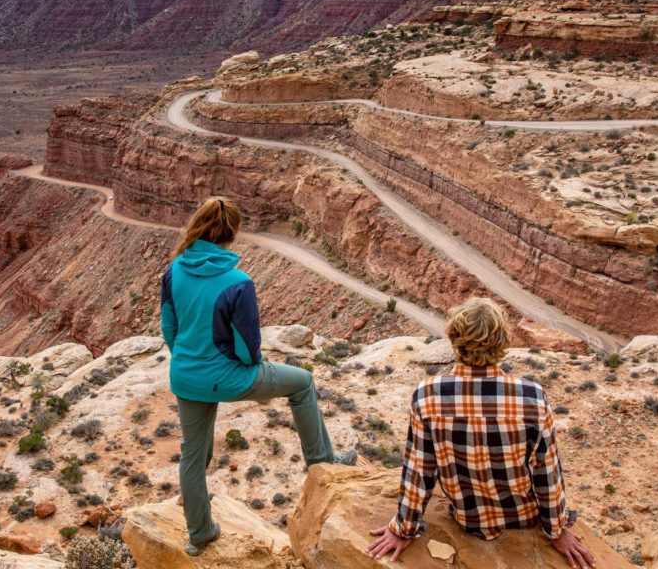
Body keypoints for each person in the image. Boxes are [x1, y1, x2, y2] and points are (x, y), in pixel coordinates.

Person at [160, 196, 355, 556]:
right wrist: (246, 366)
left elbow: (169, 329)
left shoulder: (173, 270)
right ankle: (321, 461)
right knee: (302, 383)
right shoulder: (238, 282)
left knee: (193, 457)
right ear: (232, 232)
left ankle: (199, 535)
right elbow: (249, 347)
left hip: (186, 376)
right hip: (229, 376)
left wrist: (191, 362)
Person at [366, 297, 596, 569]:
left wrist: (402, 528)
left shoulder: (428, 396)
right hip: (525, 517)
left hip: (468, 519)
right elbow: (547, 472)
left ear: (454, 339)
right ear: (503, 342)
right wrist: (556, 530)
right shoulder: (533, 398)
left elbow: (420, 471)